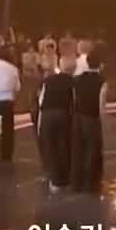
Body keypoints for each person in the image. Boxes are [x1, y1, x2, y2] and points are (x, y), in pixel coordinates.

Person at [71, 48, 108, 195]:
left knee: (78, 150)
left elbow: (74, 99)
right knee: (93, 151)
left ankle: (77, 183)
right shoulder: (102, 81)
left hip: (78, 118)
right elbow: (101, 104)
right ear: (101, 65)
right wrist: (102, 123)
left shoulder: (77, 79)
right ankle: (91, 183)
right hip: (92, 118)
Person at [37, 55, 76, 191]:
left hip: (47, 115)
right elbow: (75, 101)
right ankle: (65, 179)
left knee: (50, 147)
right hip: (63, 114)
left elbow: (40, 101)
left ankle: (54, 181)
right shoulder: (73, 82)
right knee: (64, 146)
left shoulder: (48, 81)